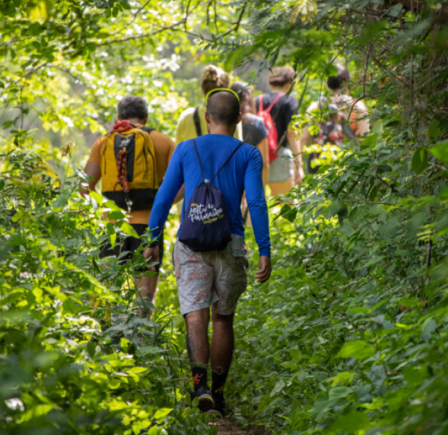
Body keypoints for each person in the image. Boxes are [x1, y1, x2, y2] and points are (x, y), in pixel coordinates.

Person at [144, 89, 272, 417]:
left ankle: (200, 387)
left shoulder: (187, 149)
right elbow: (256, 202)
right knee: (223, 319)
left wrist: (153, 238)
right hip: (232, 242)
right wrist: (265, 249)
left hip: (192, 244)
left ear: (207, 116)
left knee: (196, 314)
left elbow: (163, 197)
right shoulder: (248, 154)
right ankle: (218, 392)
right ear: (239, 119)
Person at [81, 96, 178, 317]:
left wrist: (106, 207)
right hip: (149, 227)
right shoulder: (162, 141)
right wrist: (163, 204)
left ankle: (108, 341)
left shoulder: (103, 142)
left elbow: (83, 187)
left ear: (119, 118)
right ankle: (141, 343)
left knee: (108, 293)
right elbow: (184, 182)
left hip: (113, 228)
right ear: (145, 117)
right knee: (144, 299)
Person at [255, 66, 304, 196]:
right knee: (287, 209)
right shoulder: (289, 100)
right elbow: (292, 134)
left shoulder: (257, 101)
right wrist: (299, 165)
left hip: (257, 158)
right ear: (289, 83)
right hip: (280, 156)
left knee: (256, 208)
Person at [175, 65, 243, 144]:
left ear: (203, 90)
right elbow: (239, 150)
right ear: (225, 89)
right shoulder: (231, 116)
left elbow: (177, 152)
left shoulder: (186, 117)